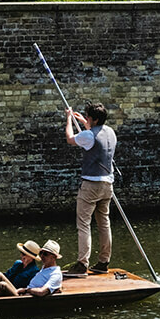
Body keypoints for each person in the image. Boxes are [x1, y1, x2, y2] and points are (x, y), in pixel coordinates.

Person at [65, 102, 116, 276]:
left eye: (88, 117)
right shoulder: (110, 132)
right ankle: (103, 262)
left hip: (91, 185)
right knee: (104, 224)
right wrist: (86, 123)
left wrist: (68, 120)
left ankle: (81, 264)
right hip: (108, 185)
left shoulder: (88, 135)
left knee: (84, 224)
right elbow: (94, 134)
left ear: (94, 119)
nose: (86, 119)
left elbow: (70, 139)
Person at [0, 240, 64, 298]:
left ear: (54, 257)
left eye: (45, 254)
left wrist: (26, 290)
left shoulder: (55, 274)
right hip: (22, 294)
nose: (42, 256)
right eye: (41, 253)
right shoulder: (44, 268)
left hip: (24, 298)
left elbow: (42, 292)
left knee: (3, 285)